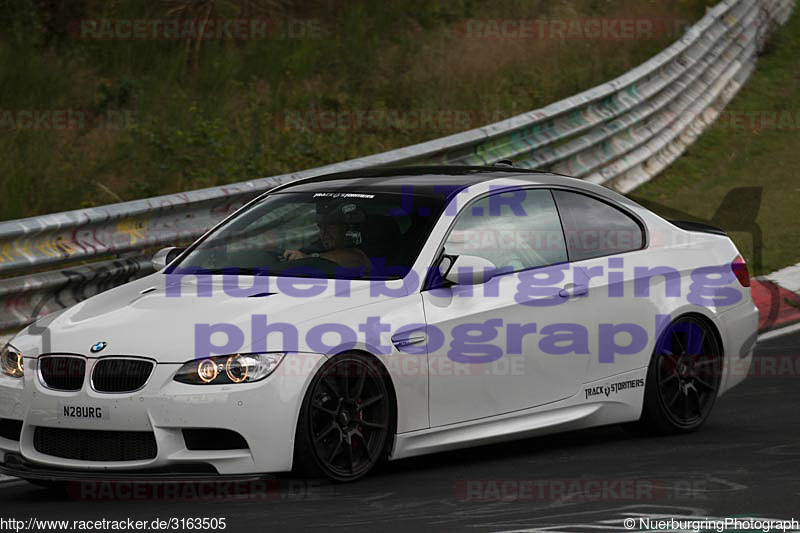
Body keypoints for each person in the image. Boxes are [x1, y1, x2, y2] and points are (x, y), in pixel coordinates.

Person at [282, 201, 370, 271]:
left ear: (346, 228)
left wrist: (308, 258)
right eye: (321, 227)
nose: (324, 233)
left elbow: (354, 258)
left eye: (331, 226)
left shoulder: (358, 252)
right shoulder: (315, 247)